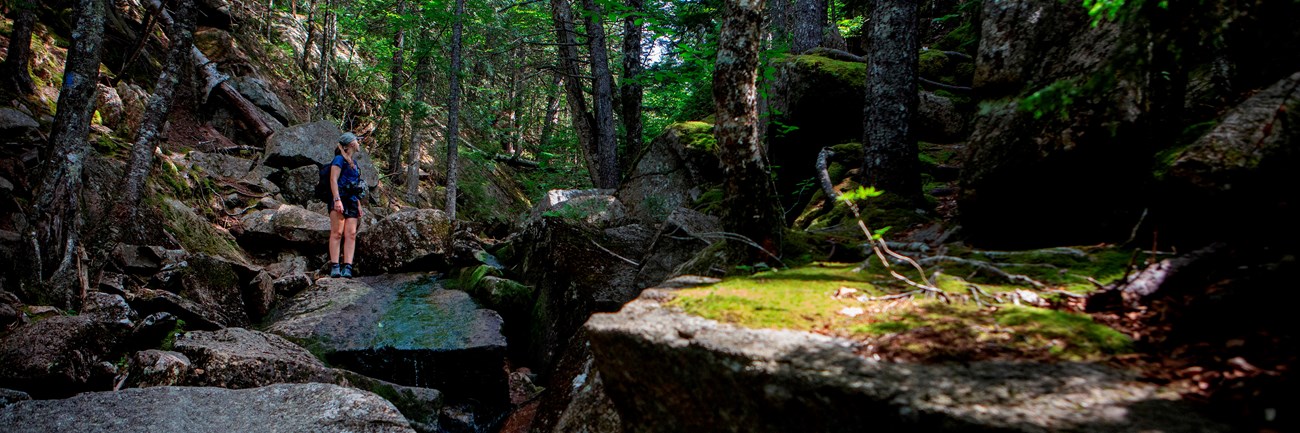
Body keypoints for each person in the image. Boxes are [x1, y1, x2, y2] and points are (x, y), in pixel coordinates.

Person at [328, 132, 364, 278]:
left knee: (351, 234)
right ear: (351, 144)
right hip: (340, 198)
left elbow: (355, 186)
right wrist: (337, 200)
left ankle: (347, 266)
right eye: (357, 141)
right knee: (337, 233)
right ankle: (335, 266)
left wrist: (359, 204)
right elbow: (333, 180)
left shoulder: (354, 164)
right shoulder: (338, 160)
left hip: (352, 200)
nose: (359, 143)